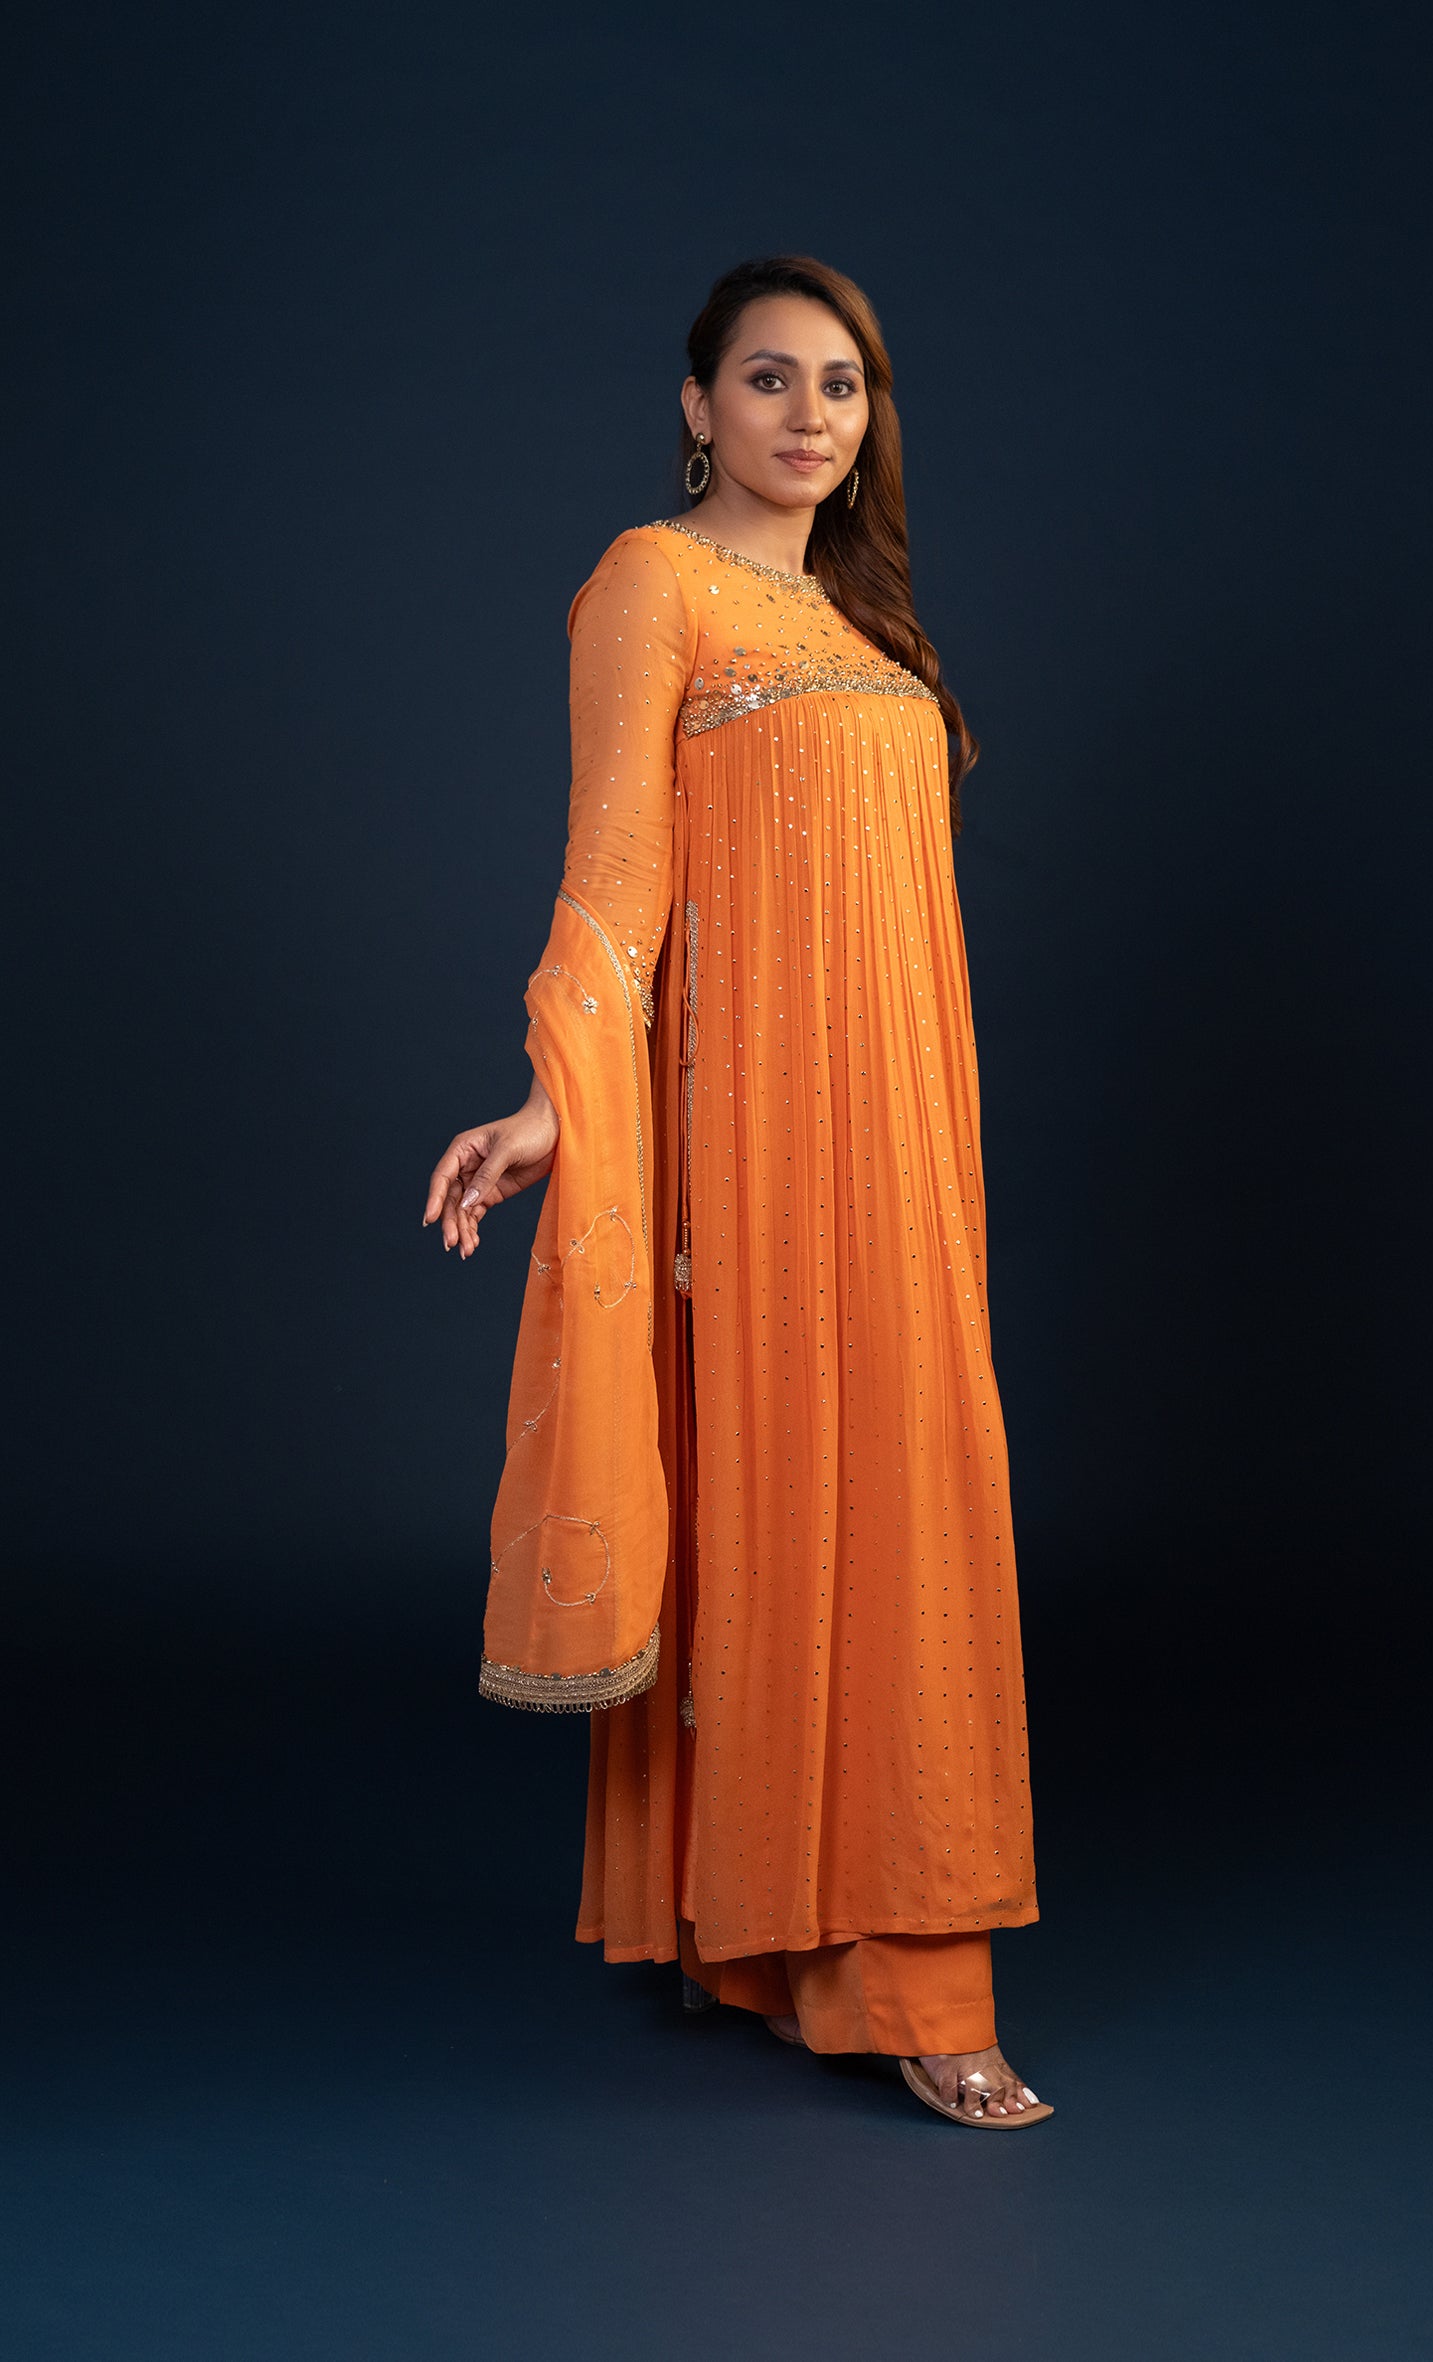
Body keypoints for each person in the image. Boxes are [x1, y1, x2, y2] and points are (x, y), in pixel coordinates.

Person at [423, 256, 1048, 2128]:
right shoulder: (655, 581)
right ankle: (888, 1975)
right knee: (788, 1493)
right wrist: (551, 1104)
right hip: (756, 1142)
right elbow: (616, 874)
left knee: (911, 1487)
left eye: (842, 385)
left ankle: (817, 1940)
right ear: (697, 406)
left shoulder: (870, 622)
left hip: (905, 1134)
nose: (810, 416)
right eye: (769, 379)